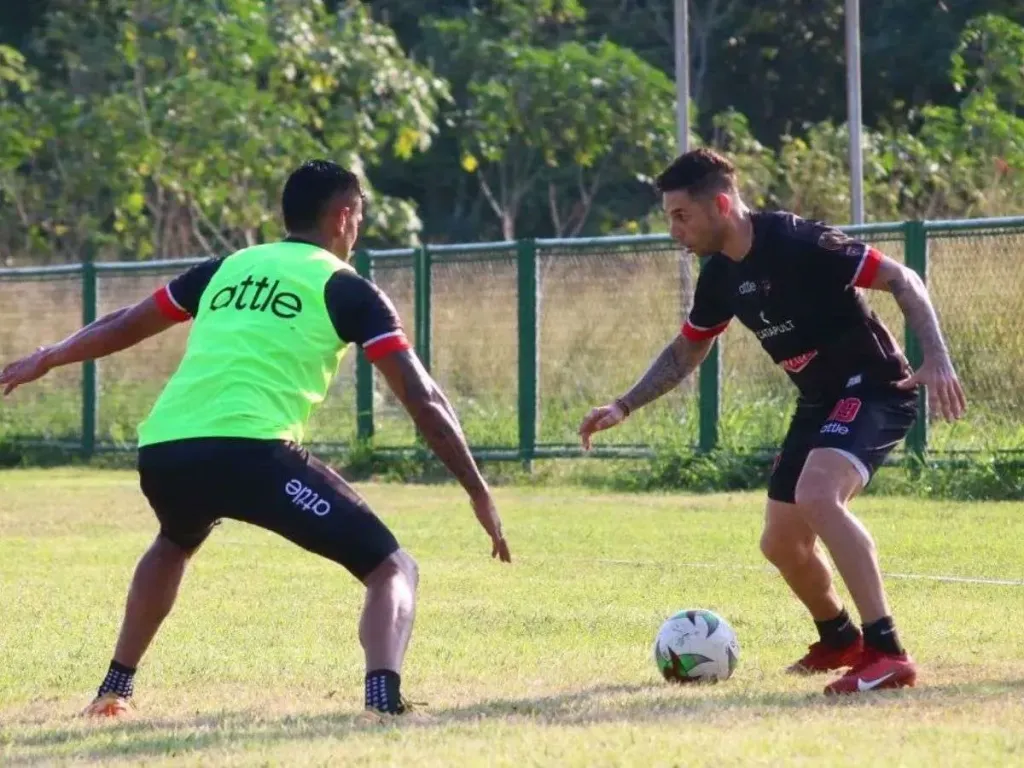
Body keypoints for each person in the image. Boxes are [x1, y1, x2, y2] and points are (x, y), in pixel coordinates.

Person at [0, 159, 511, 721]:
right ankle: (382, 703)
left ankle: (114, 689)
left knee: (174, 542)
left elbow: (126, 322)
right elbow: (422, 398)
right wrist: (477, 489)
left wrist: (50, 356)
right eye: (359, 220)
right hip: (254, 456)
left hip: (166, 451)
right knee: (392, 568)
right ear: (343, 217)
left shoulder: (226, 269)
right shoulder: (347, 289)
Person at [578, 148, 966, 696]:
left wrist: (938, 358)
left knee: (818, 495)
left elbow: (903, 279)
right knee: (781, 543)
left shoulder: (798, 241)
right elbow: (687, 351)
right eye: (669, 217)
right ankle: (839, 638)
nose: (674, 230)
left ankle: (887, 652)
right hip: (818, 402)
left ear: (720, 204)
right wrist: (623, 405)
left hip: (875, 387)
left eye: (681, 215)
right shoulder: (718, 277)